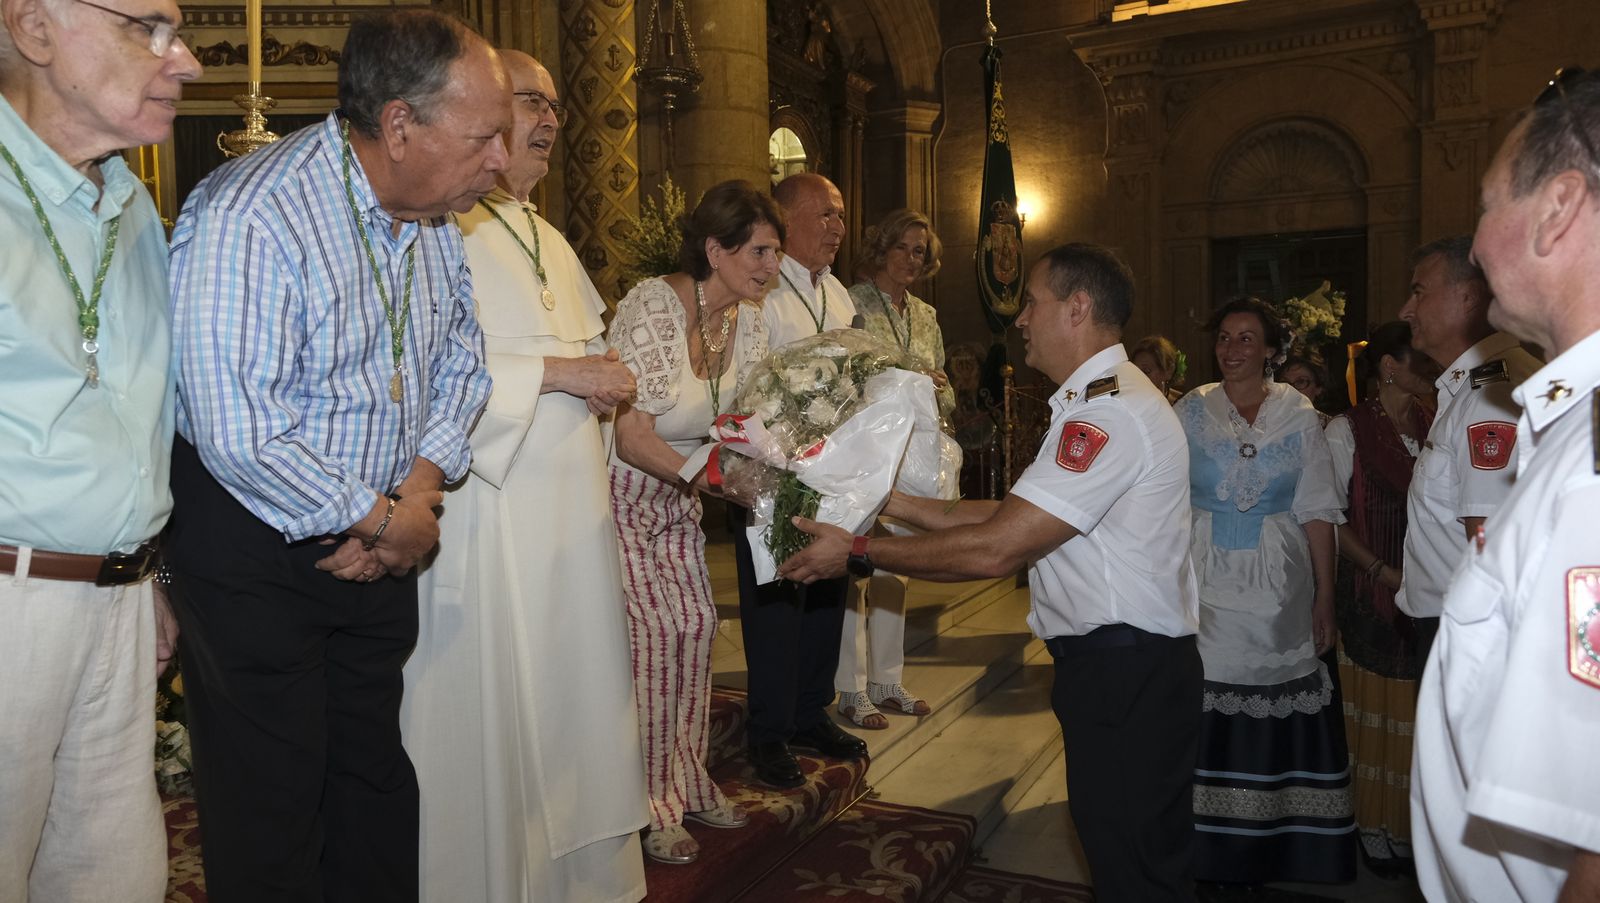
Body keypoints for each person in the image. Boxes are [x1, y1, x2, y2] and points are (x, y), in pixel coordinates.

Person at [165, 10, 504, 899]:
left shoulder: (431, 221)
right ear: (400, 126)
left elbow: (462, 360)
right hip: (257, 551)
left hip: (383, 532)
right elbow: (239, 427)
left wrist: (416, 493)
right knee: (272, 808)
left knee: (374, 785)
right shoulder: (252, 213)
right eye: (485, 138)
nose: (501, 161)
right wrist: (381, 516)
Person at [780, 244, 1204, 903]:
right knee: (1127, 852)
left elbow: (996, 550)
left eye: (1033, 302)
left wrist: (857, 551)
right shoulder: (1101, 401)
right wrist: (890, 501)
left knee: (1135, 868)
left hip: (1128, 672)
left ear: (1078, 308)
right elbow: (1014, 513)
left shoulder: (1107, 414)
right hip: (1124, 667)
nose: (1021, 319)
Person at [398, 51, 646, 902]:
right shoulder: (441, 226)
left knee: (574, 696)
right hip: (485, 521)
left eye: (552, 105)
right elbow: (426, 367)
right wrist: (565, 375)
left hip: (566, 529)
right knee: (495, 713)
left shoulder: (546, 235)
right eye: (527, 101)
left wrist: (595, 370)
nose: (545, 120)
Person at [0, 2, 200, 899]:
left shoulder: (131, 205)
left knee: (110, 877)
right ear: (33, 28)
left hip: (116, 606)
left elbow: (143, 415)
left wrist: (149, 573)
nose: (186, 60)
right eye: (147, 26)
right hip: (10, 603)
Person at [1411, 66, 1600, 901]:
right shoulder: (1566, 424)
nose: (1479, 240)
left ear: (1557, 209)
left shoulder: (1590, 467)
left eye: (1488, 205)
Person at [608, 180, 781, 864]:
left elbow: (750, 426)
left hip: (678, 495)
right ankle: (650, 803)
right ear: (716, 247)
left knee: (698, 627)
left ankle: (686, 776)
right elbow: (628, 434)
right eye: (760, 250)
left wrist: (786, 474)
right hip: (619, 493)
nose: (770, 266)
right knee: (653, 639)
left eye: (775, 252)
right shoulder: (655, 304)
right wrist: (715, 480)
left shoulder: (751, 320)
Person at [1175, 296, 1355, 885]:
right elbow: (1166, 499)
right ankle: (1201, 845)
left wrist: (1324, 598)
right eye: (1224, 338)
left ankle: (1277, 843)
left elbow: (1319, 510)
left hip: (1278, 579)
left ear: (1272, 349)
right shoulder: (1190, 409)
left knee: (1276, 691)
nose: (1231, 350)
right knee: (1202, 693)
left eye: (1246, 339)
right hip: (1202, 573)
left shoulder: (1299, 413)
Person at [734, 171, 867, 788]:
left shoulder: (838, 294)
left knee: (827, 592)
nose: (838, 227)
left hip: (835, 471)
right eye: (827, 215)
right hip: (773, 474)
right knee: (777, 601)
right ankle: (768, 732)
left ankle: (811, 709)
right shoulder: (762, 289)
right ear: (787, 222)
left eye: (841, 216)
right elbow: (750, 382)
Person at [1323, 322, 1435, 876]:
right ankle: (1374, 828)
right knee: (1375, 717)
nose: (1430, 366)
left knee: (1421, 718)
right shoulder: (1347, 430)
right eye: (1419, 358)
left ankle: (1413, 830)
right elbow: (1330, 518)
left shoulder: (1436, 421)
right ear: (1388, 366)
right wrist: (1382, 571)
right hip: (1372, 594)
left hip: (1428, 595)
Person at [1395, 235, 1541, 657]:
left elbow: (1488, 541)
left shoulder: (1488, 397)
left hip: (1471, 632)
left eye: (1419, 292)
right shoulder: (1472, 388)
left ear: (1469, 298)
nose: (1406, 310)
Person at [835, 207, 950, 730]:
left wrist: (939, 384)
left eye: (920, 251)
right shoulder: (851, 302)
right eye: (901, 246)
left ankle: (886, 679)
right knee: (854, 562)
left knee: (895, 564)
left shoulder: (925, 315)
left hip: (911, 455)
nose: (910, 258)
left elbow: (940, 383)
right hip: (863, 449)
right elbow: (840, 374)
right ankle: (849, 687)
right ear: (881, 248)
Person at [1279, 354, 1334, 425]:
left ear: (1318, 388)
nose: (1291, 389)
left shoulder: (1331, 427)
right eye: (1285, 383)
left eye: (1301, 381)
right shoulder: (1268, 422)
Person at [1130, 334, 1186, 403]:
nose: (1138, 377)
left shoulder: (1182, 405)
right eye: (1134, 371)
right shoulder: (1127, 402)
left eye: (1146, 371)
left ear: (1169, 371)